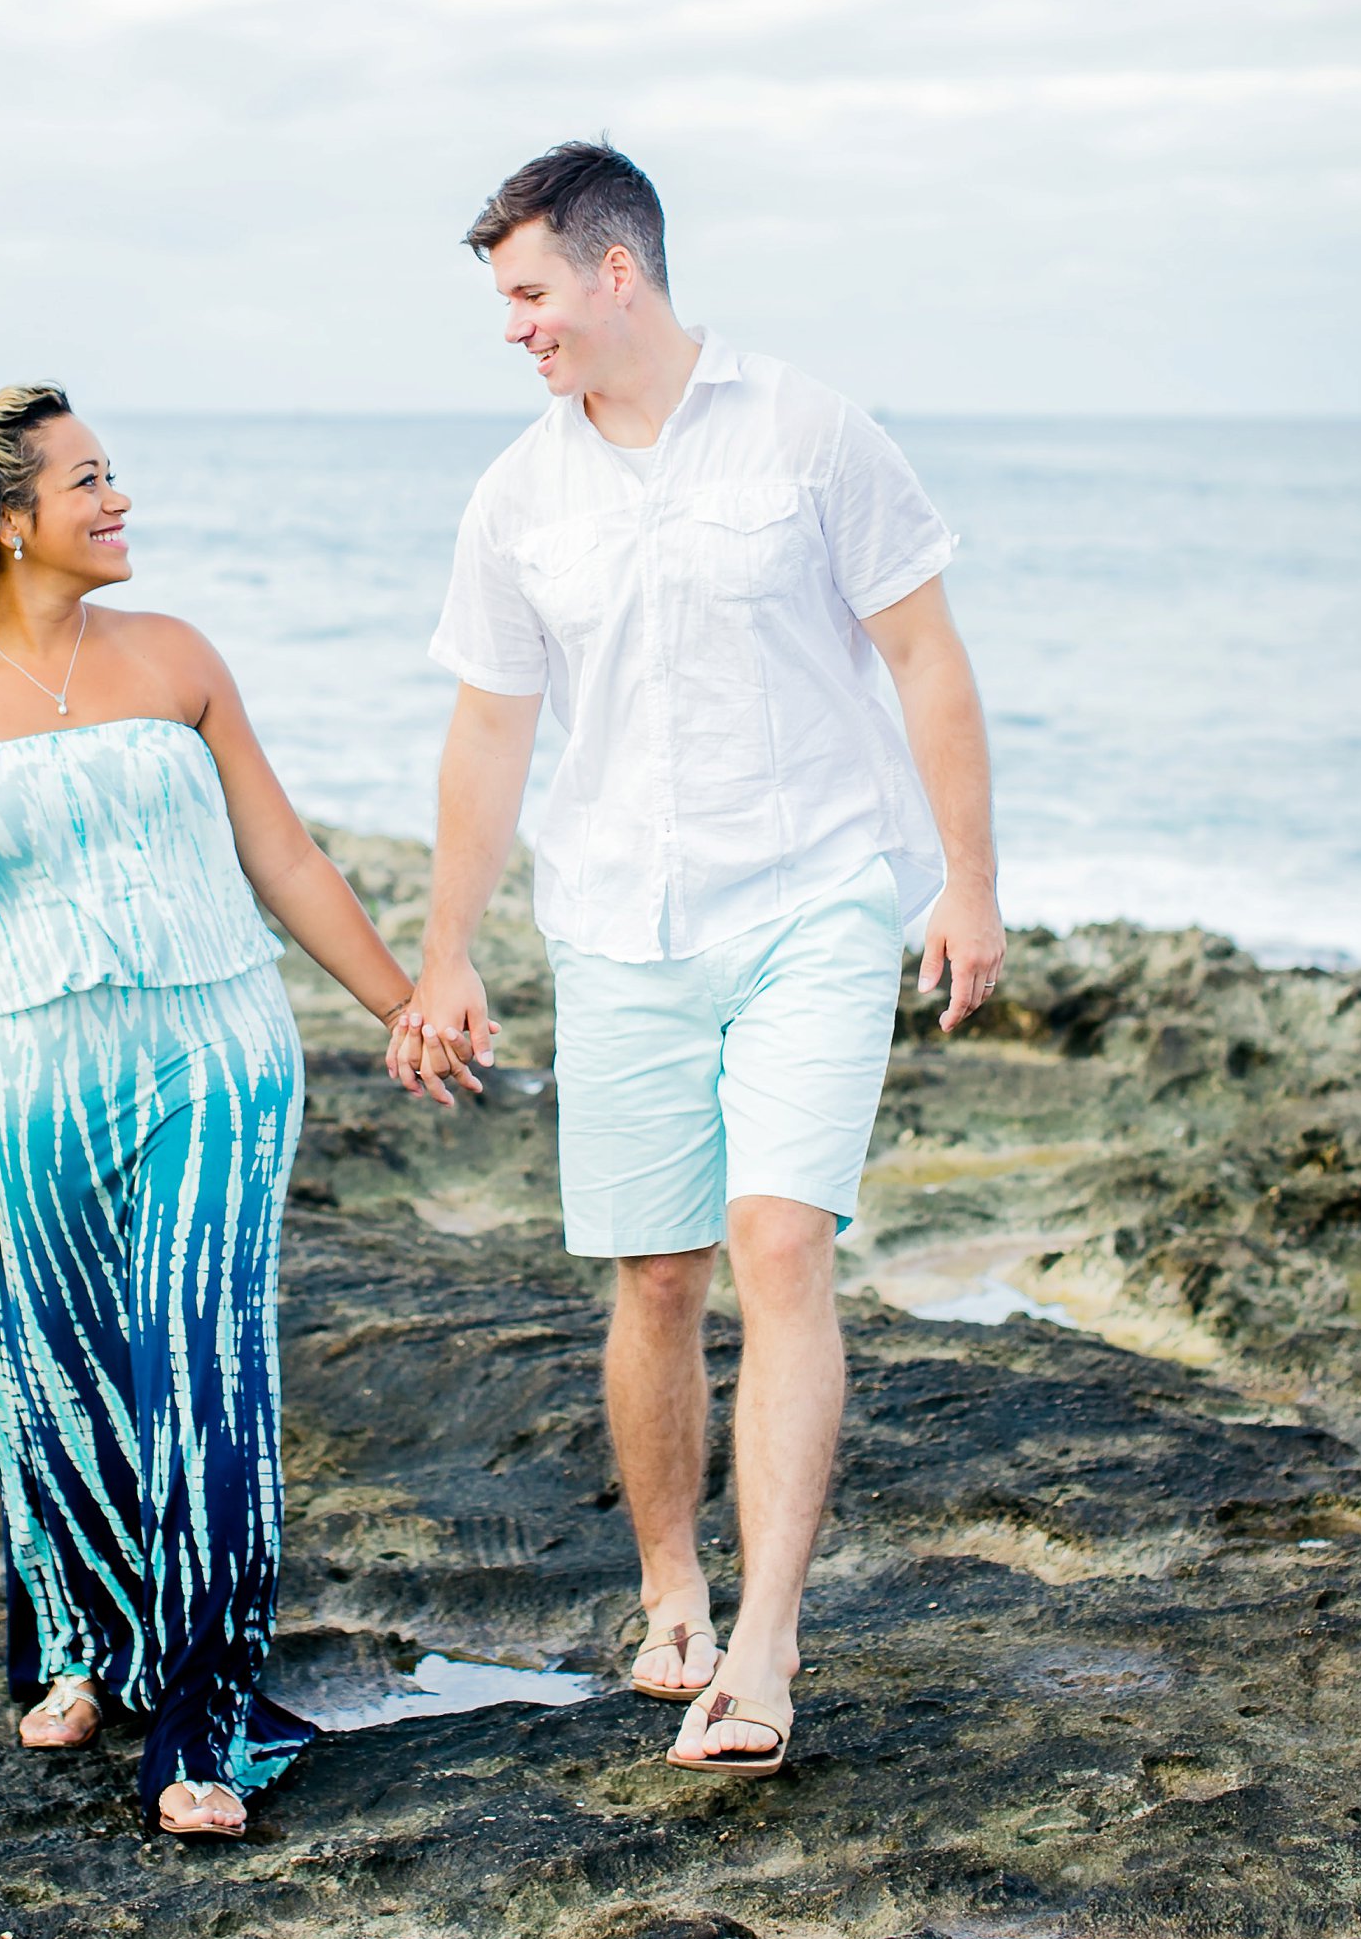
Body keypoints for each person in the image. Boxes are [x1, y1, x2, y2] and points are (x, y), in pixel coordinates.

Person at [390, 144, 1003, 1778]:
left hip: (812, 901)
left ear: (616, 272)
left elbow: (927, 659)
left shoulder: (809, 432)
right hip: (616, 928)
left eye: (527, 293)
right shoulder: (518, 497)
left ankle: (765, 1646)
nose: (513, 328)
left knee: (779, 1242)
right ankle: (671, 1589)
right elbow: (488, 732)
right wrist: (445, 955)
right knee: (658, 1275)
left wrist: (968, 887)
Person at [0, 384, 449, 1839]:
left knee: (204, 1367)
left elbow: (288, 858)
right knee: (57, 1366)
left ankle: (206, 1715)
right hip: (36, 1074)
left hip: (217, 1053)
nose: (119, 502)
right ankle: (80, 1643)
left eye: (114, 476)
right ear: (8, 520)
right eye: (89, 482)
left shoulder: (179, 658)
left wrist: (402, 1004)